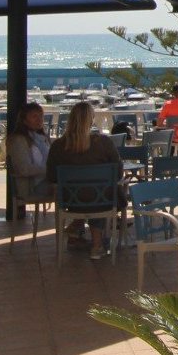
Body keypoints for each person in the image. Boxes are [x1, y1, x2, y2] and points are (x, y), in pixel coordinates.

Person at [47, 101, 123, 260]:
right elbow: (118, 173)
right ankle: (97, 245)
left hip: (70, 200)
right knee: (102, 191)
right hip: (101, 199)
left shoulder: (58, 146)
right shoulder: (103, 142)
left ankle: (76, 225)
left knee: (89, 191)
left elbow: (52, 177)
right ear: (91, 119)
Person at [5, 101, 53, 217]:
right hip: (32, 187)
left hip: (48, 182)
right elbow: (24, 169)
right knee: (72, 188)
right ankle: (78, 223)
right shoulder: (18, 140)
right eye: (34, 116)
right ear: (24, 120)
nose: (39, 119)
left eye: (41, 116)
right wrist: (51, 170)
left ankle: (77, 222)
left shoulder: (43, 139)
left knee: (75, 186)